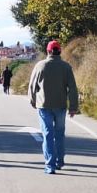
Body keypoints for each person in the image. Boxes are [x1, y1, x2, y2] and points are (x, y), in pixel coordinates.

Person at [28, 40, 79, 174]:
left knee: (48, 135)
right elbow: (72, 88)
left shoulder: (40, 66)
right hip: (61, 105)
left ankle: (50, 165)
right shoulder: (66, 67)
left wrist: (32, 100)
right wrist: (73, 106)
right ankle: (59, 161)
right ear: (59, 51)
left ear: (48, 51)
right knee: (59, 134)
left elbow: (32, 86)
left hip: (44, 105)